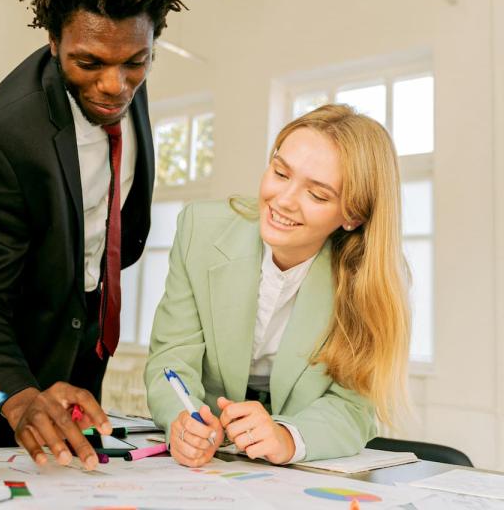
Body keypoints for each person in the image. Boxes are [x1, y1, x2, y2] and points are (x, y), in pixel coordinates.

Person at [0, 0, 185, 469]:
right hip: (11, 380)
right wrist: (21, 398)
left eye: (135, 64)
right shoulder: (4, 138)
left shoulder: (123, 76)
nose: (115, 86)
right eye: (89, 64)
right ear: (54, 43)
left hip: (86, 356)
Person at [145, 104, 411, 467]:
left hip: (298, 469)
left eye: (317, 195)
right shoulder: (200, 228)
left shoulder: (370, 277)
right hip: (208, 459)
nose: (283, 201)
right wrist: (183, 419)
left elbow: (353, 407)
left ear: (352, 215)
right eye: (280, 172)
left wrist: (287, 437)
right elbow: (172, 356)